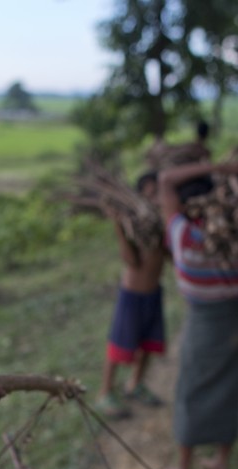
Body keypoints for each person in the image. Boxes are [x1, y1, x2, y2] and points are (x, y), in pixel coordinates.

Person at [157, 159, 238, 469]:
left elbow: (166, 179)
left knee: (191, 390)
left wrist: (217, 165)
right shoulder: (237, 236)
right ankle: (221, 462)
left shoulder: (183, 235)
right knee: (229, 387)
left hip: (202, 323)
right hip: (234, 321)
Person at [94, 170, 167, 419]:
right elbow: (131, 261)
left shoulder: (161, 222)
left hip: (153, 292)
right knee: (119, 345)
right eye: (151, 192)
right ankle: (104, 393)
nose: (156, 196)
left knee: (148, 344)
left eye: (159, 191)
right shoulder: (135, 221)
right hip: (132, 295)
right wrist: (118, 225)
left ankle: (135, 384)